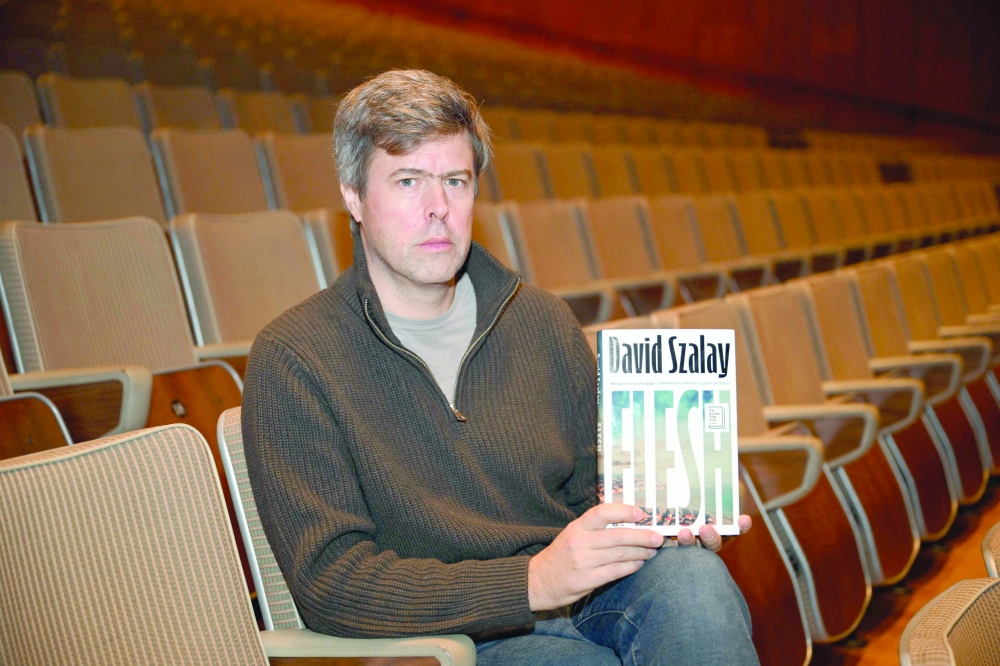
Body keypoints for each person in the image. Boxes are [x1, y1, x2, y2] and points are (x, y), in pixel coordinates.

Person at [242, 69, 758, 665]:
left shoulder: (541, 320)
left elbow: (598, 487)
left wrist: (671, 512)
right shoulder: (295, 357)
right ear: (353, 197)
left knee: (696, 584)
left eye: (455, 181)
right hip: (447, 641)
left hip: (581, 591)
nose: (438, 208)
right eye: (408, 181)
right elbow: (331, 584)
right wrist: (530, 583)